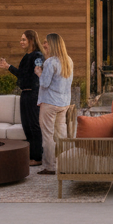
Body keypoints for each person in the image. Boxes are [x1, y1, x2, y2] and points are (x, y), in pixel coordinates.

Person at [0, 30, 45, 166]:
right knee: (26, 125)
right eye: (21, 39)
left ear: (31, 40)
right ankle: (31, 156)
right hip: (25, 94)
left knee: (34, 126)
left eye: (24, 39)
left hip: (33, 94)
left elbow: (38, 74)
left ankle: (37, 157)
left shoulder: (37, 56)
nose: (21, 42)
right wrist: (8, 67)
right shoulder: (26, 56)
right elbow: (22, 74)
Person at [36, 32, 73, 175]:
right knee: (61, 134)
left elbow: (44, 83)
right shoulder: (68, 60)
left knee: (48, 135)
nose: (44, 45)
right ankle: (65, 162)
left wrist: (39, 73)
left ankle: (50, 166)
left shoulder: (50, 62)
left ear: (53, 44)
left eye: (46, 42)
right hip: (63, 103)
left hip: (49, 102)